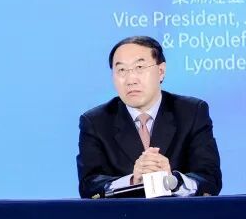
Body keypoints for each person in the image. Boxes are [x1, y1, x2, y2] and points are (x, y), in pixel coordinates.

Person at [77, 36, 222, 198]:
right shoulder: (95, 121)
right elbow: (88, 186)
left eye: (139, 67)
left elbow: (210, 180)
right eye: (121, 70)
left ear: (161, 71)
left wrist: (172, 181)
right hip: (124, 213)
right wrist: (132, 181)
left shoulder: (192, 112)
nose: (130, 80)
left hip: (179, 213)